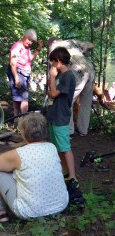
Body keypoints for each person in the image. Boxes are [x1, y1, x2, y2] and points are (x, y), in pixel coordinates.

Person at [0, 112, 68, 222]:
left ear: (23, 133)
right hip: (60, 206)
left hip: (31, 213)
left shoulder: (19, 154)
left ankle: (2, 214)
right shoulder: (52, 148)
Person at [47, 37, 95, 136]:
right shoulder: (71, 41)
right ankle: (83, 131)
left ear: (50, 44)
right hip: (90, 71)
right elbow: (91, 44)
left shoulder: (54, 49)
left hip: (76, 74)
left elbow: (53, 70)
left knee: (67, 101)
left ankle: (69, 131)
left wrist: (51, 83)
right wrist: (84, 48)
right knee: (86, 103)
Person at [47, 46, 78, 189]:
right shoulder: (59, 75)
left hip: (61, 116)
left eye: (53, 62)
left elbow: (53, 94)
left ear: (59, 61)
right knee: (58, 148)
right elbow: (50, 92)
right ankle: (65, 173)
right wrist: (52, 79)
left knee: (65, 147)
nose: (52, 65)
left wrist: (52, 77)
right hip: (54, 115)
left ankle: (73, 176)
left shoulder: (68, 76)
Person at [7, 29, 43, 120]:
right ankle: (25, 121)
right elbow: (12, 63)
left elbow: (29, 59)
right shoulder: (17, 46)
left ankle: (17, 120)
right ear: (24, 36)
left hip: (23, 74)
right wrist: (16, 78)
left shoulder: (26, 47)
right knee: (24, 98)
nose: (30, 43)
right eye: (29, 40)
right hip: (18, 73)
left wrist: (38, 49)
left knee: (18, 98)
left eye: (32, 41)